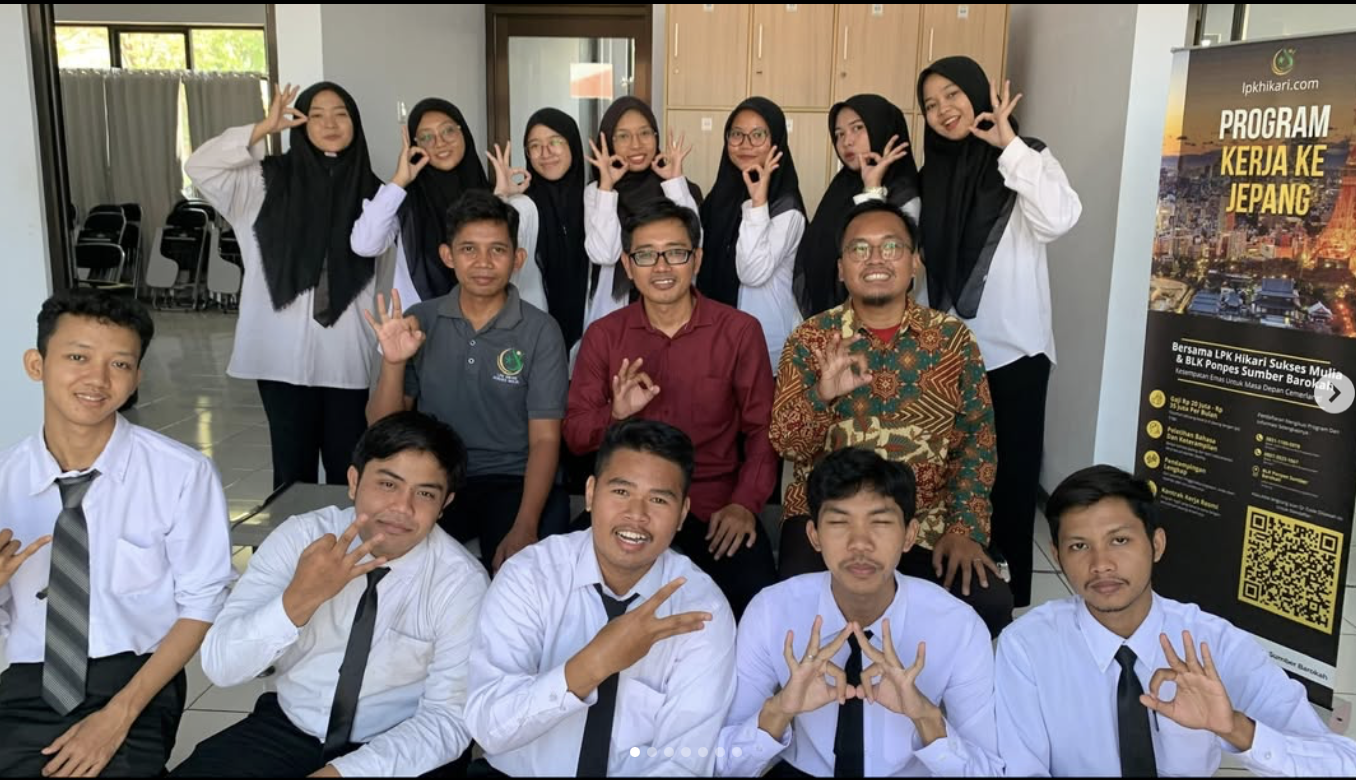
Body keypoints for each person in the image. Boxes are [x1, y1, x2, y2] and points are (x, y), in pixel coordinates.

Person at [173, 412, 488, 777]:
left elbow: (448, 718)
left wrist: (341, 774)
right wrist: (298, 600)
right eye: (388, 484)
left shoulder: (461, 582)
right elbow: (222, 666)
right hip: (293, 726)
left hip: (401, 744)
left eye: (425, 494)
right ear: (354, 481)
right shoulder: (301, 539)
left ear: (445, 504)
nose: (403, 507)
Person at [0, 290, 235, 776]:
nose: (97, 379)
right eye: (78, 357)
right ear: (36, 365)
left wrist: (117, 717)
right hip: (25, 676)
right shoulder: (4, 480)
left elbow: (202, 603)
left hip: (135, 678)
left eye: (120, 364)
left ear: (137, 379)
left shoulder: (181, 474)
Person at [996, 465, 1356, 776]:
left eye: (1119, 540)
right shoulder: (1028, 647)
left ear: (1156, 545)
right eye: (1079, 546)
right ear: (1057, 556)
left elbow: (1344, 763)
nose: (1101, 564)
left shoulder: (1214, 644)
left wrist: (1235, 727)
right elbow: (1021, 768)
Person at [771, 200, 1014, 637]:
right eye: (859, 249)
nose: (876, 260)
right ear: (841, 268)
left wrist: (965, 529)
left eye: (891, 247)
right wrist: (822, 395)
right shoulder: (810, 340)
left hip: (926, 519)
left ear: (914, 261)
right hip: (829, 516)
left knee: (989, 603)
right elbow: (788, 446)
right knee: (798, 604)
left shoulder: (952, 341)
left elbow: (976, 443)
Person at [465, 420, 736, 776]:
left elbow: (683, 760)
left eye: (658, 499)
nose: (637, 515)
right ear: (591, 493)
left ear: (683, 514)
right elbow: (488, 726)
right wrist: (594, 663)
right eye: (621, 491)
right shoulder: (531, 575)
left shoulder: (701, 608)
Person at [718, 448, 1001, 777]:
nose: (860, 544)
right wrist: (778, 711)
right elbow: (724, 765)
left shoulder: (958, 626)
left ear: (909, 535)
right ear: (814, 536)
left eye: (880, 522)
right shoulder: (771, 611)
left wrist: (926, 718)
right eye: (839, 522)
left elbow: (990, 771)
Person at [916, 57, 1082, 609]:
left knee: (1010, 475)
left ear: (977, 93)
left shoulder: (1025, 157)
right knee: (951, 468)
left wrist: (1008, 145)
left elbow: (1059, 218)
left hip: (1015, 351)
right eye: (930, 104)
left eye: (951, 95)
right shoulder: (934, 175)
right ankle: (955, 577)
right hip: (949, 353)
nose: (943, 110)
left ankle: (1008, 594)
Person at [565, 200, 778, 618]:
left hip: (712, 505)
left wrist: (745, 504)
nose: (661, 267)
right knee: (566, 590)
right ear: (628, 265)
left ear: (696, 259)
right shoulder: (604, 335)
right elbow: (574, 435)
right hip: (628, 502)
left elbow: (762, 428)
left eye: (675, 253)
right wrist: (616, 415)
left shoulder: (738, 331)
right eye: (646, 255)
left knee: (757, 602)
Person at [186, 82, 381, 490]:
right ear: (301, 124)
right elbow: (201, 166)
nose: (330, 123)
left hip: (346, 353)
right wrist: (261, 129)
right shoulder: (260, 182)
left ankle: (346, 533)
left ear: (356, 123)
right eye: (317, 115)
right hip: (280, 357)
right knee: (291, 471)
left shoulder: (376, 193)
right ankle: (292, 533)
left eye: (341, 114)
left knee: (350, 469)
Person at [365, 190, 570, 574]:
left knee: (520, 575)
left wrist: (525, 524)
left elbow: (545, 439)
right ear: (448, 256)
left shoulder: (541, 331)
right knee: (400, 566)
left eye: (497, 250)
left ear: (517, 259)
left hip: (512, 478)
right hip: (433, 475)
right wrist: (394, 362)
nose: (483, 263)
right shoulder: (422, 319)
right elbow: (382, 430)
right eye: (469, 249)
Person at [349, 97, 545, 311]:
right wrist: (399, 181)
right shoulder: (405, 201)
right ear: (415, 146)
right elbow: (364, 244)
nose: (439, 142)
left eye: (448, 131)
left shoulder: (495, 196)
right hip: (420, 324)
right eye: (426, 137)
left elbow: (505, 266)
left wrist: (499, 198)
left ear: (463, 133)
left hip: (486, 322)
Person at [697, 97, 806, 370]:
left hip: (764, 337)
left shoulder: (787, 207)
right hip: (716, 331)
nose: (745, 144)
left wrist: (758, 203)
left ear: (776, 141)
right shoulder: (721, 195)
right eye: (737, 134)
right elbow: (693, 244)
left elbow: (752, 272)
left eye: (758, 135)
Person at [583, 96, 702, 334]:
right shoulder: (597, 192)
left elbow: (694, 243)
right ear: (609, 141)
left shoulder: (679, 187)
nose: (636, 145)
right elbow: (605, 254)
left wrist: (675, 181)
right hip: (615, 313)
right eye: (623, 136)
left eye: (645, 133)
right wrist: (606, 187)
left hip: (671, 307)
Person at [793, 94, 918, 319]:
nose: (846, 141)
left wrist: (872, 189)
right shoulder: (842, 186)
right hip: (828, 321)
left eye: (857, 128)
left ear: (881, 128)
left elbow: (883, 268)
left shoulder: (904, 196)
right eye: (839, 134)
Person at [521, 108, 590, 352]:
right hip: (533, 336)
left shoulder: (595, 199)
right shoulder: (521, 205)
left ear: (572, 144)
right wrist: (502, 199)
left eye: (555, 142)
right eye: (535, 146)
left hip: (590, 335)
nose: (545, 153)